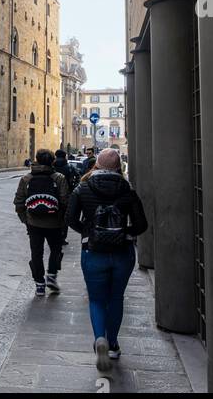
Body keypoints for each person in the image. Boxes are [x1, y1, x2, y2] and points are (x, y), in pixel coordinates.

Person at [66, 147, 147, 373]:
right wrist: (125, 233)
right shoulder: (128, 190)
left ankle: (99, 338)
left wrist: (88, 232)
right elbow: (142, 225)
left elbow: (70, 218)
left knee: (96, 299)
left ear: (97, 165)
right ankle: (112, 344)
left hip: (93, 252)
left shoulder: (83, 188)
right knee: (116, 298)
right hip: (122, 253)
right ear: (118, 166)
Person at [14, 148, 70, 296]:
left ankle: (39, 284)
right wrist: (63, 221)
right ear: (53, 161)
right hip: (55, 223)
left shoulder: (26, 179)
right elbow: (65, 202)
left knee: (36, 253)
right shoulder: (59, 178)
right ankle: (51, 275)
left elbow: (19, 202)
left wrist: (25, 220)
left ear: (36, 160)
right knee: (56, 250)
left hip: (33, 223)